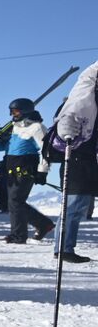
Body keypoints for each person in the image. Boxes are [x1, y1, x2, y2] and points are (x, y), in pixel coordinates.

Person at [52, 62, 98, 262]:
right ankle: (63, 249)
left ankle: (66, 248)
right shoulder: (82, 97)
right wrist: (67, 132)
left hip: (87, 159)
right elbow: (64, 121)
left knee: (80, 205)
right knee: (73, 205)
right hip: (75, 157)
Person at [0, 97, 54, 243]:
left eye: (16, 111)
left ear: (25, 111)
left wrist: (42, 171)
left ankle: (19, 235)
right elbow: (7, 147)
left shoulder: (37, 127)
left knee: (15, 201)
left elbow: (47, 151)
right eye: (11, 111)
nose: (13, 114)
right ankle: (43, 224)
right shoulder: (14, 127)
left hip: (26, 168)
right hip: (11, 168)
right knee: (14, 202)